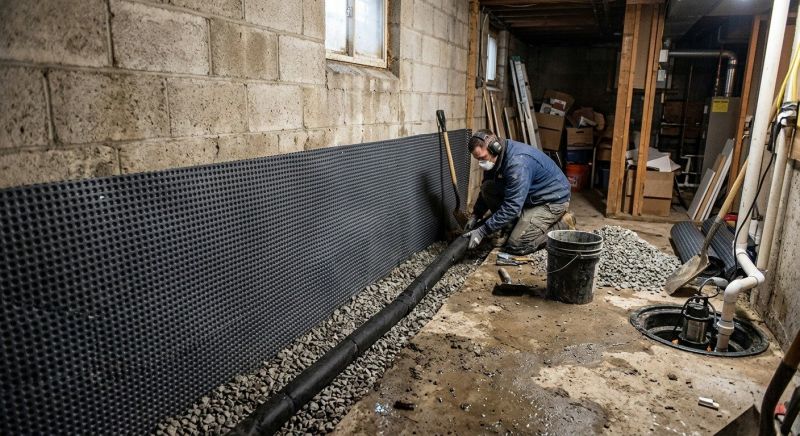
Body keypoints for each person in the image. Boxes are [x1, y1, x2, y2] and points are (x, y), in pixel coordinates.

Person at [462, 129, 574, 254]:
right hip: (530, 195)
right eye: (478, 159)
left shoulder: (517, 164)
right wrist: (476, 214)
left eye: (482, 158)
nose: (481, 163)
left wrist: (482, 230)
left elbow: (512, 207)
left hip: (551, 200)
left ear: (495, 147)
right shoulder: (495, 158)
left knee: (516, 245)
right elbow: (487, 184)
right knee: (488, 188)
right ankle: (510, 226)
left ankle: (563, 223)